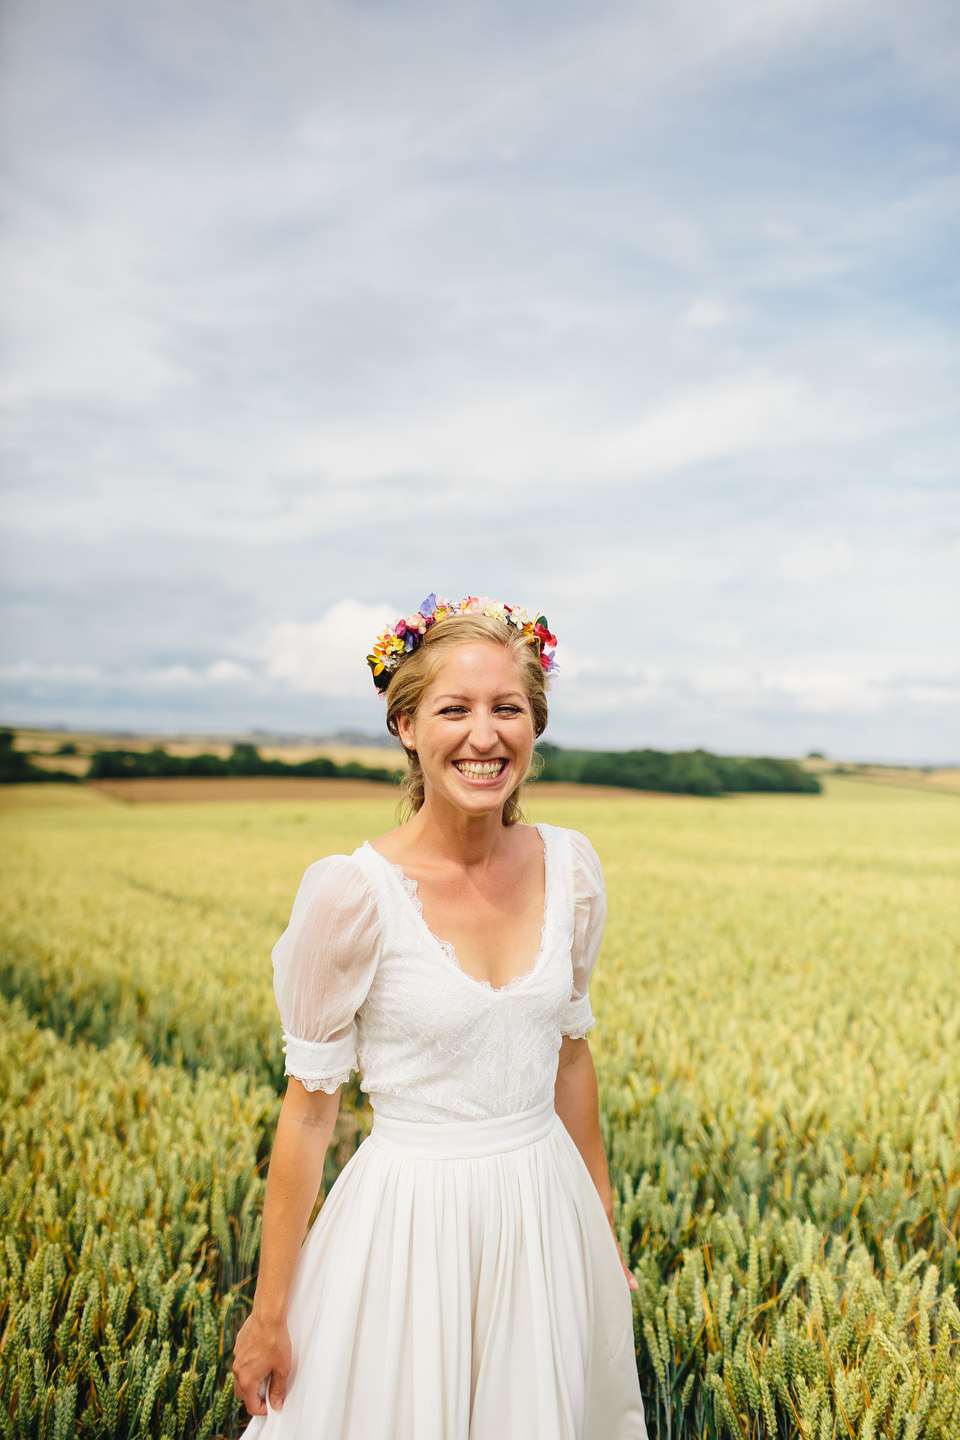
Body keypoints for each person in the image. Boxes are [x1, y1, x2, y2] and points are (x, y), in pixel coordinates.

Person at [232, 594, 647, 1439]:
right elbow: (310, 1114)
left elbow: (571, 1057)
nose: (484, 735)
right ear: (406, 725)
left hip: (545, 1216)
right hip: (407, 1232)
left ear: (536, 725)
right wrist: (269, 1312)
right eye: (453, 709)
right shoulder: (353, 895)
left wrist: (601, 1231)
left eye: (509, 709)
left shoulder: (573, 867)